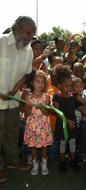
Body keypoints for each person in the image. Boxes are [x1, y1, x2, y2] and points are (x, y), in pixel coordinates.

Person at [0, 16, 36, 183]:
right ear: (16, 28)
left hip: (13, 101)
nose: (30, 38)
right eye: (28, 33)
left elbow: (26, 74)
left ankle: (12, 161)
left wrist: (14, 90)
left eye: (33, 34)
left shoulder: (28, 51)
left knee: (12, 133)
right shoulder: (0, 43)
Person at [23, 70, 53, 175]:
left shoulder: (46, 96)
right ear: (32, 82)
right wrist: (28, 106)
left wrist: (43, 106)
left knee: (44, 146)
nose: (40, 85)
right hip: (32, 125)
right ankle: (35, 164)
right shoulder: (28, 97)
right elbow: (26, 115)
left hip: (43, 125)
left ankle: (44, 164)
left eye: (42, 82)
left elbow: (46, 113)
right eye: (37, 82)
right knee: (33, 146)